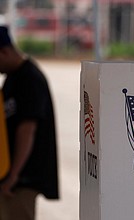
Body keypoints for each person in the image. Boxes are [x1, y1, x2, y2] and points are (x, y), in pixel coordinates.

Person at [0, 26, 59, 220]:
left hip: (22, 180)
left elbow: (27, 130)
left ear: (4, 51)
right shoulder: (13, 77)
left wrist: (13, 176)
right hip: (13, 177)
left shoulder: (29, 79)